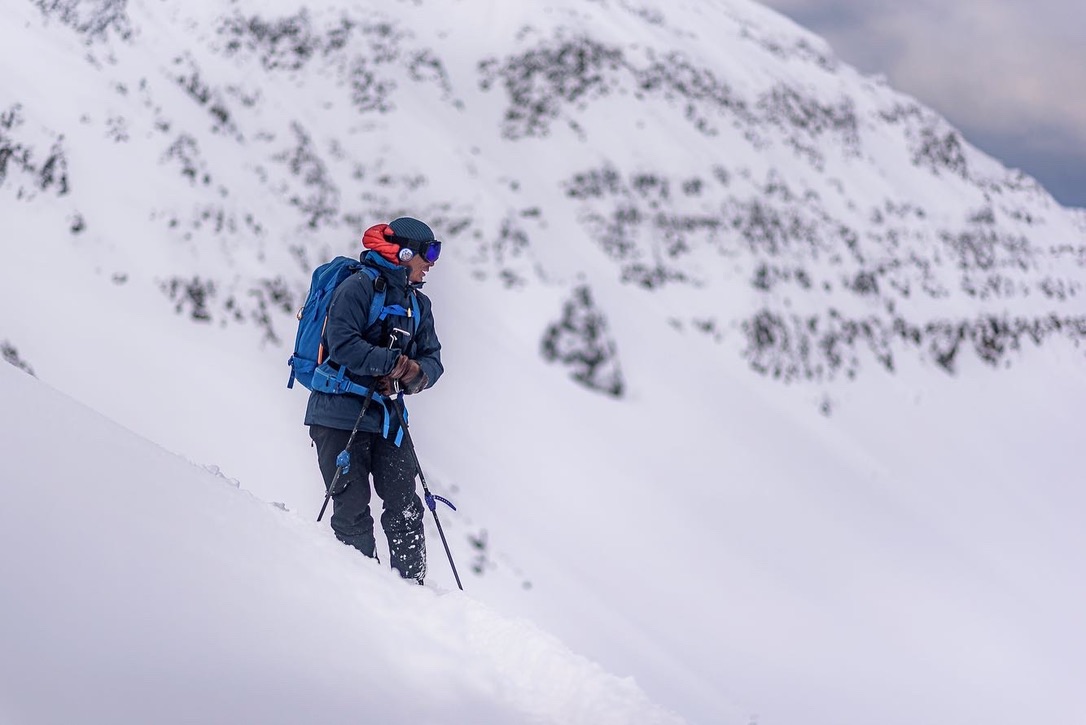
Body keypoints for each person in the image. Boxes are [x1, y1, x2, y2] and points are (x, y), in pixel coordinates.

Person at [305, 217, 443, 583]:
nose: (432, 262)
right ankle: (365, 593)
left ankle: (412, 589)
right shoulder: (358, 287)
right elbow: (342, 342)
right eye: (429, 252)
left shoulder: (419, 304)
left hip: (387, 417)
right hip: (337, 414)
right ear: (404, 251)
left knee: (405, 505)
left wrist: (412, 373)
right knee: (351, 510)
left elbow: (434, 360)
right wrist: (392, 363)